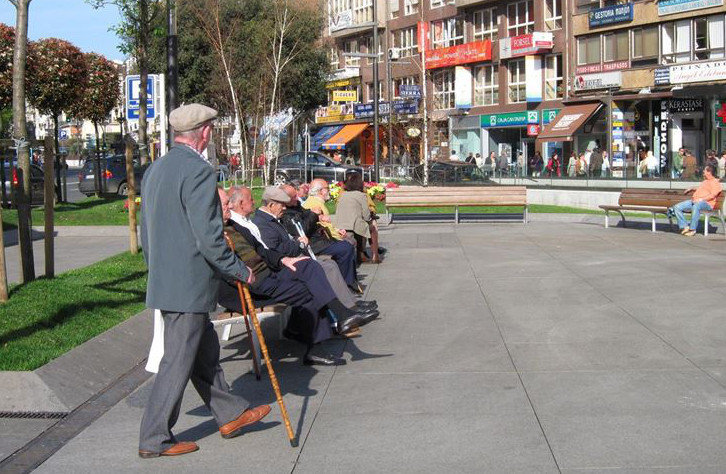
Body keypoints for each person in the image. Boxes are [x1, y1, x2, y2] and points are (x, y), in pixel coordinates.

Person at [138, 104, 270, 459]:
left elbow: (145, 232)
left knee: (204, 352)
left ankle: (231, 414)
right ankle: (154, 438)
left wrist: (159, 270)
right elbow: (209, 238)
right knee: (178, 360)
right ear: (207, 133)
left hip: (169, 280)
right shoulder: (199, 171)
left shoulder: (156, 169)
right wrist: (240, 270)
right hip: (189, 284)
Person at [333, 173, 374, 264]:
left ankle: (360, 254)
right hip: (352, 225)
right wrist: (369, 219)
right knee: (368, 227)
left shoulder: (342, 195)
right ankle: (362, 253)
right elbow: (366, 215)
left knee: (361, 227)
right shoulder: (361, 195)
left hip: (339, 224)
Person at [672, 163, 722, 236]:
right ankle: (685, 226)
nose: (703, 172)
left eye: (704, 170)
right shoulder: (705, 181)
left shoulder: (715, 182)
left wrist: (701, 199)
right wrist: (692, 188)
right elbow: (701, 188)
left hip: (707, 204)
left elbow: (713, 195)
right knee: (677, 207)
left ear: (709, 172)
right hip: (695, 201)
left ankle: (692, 229)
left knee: (696, 206)